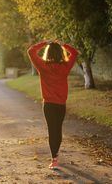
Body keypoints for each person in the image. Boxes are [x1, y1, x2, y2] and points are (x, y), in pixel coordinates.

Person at [27, 40, 78, 170]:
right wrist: (64, 45)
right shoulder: (65, 67)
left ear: (47, 52)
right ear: (61, 53)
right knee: (58, 129)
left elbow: (31, 51)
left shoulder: (42, 66)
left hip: (48, 105)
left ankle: (54, 158)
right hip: (61, 105)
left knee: (52, 130)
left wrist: (44, 43)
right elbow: (75, 52)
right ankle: (56, 155)